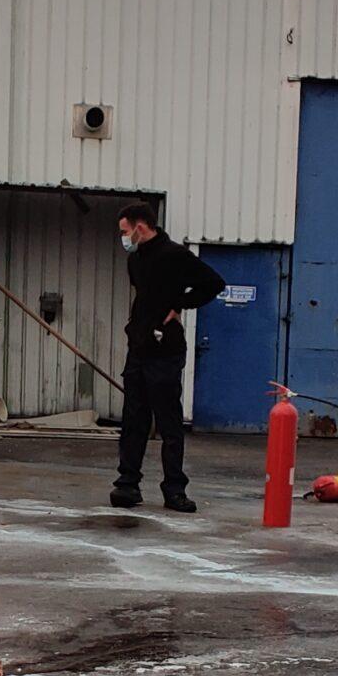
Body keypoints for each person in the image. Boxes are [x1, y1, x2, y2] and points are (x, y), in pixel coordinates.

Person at [111, 202, 225, 513]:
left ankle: (174, 488)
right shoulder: (135, 260)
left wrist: (180, 304)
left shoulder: (174, 255)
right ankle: (127, 483)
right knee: (134, 418)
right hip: (139, 347)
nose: (122, 237)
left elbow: (214, 283)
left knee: (168, 421)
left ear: (140, 227)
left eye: (124, 231)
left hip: (165, 350)